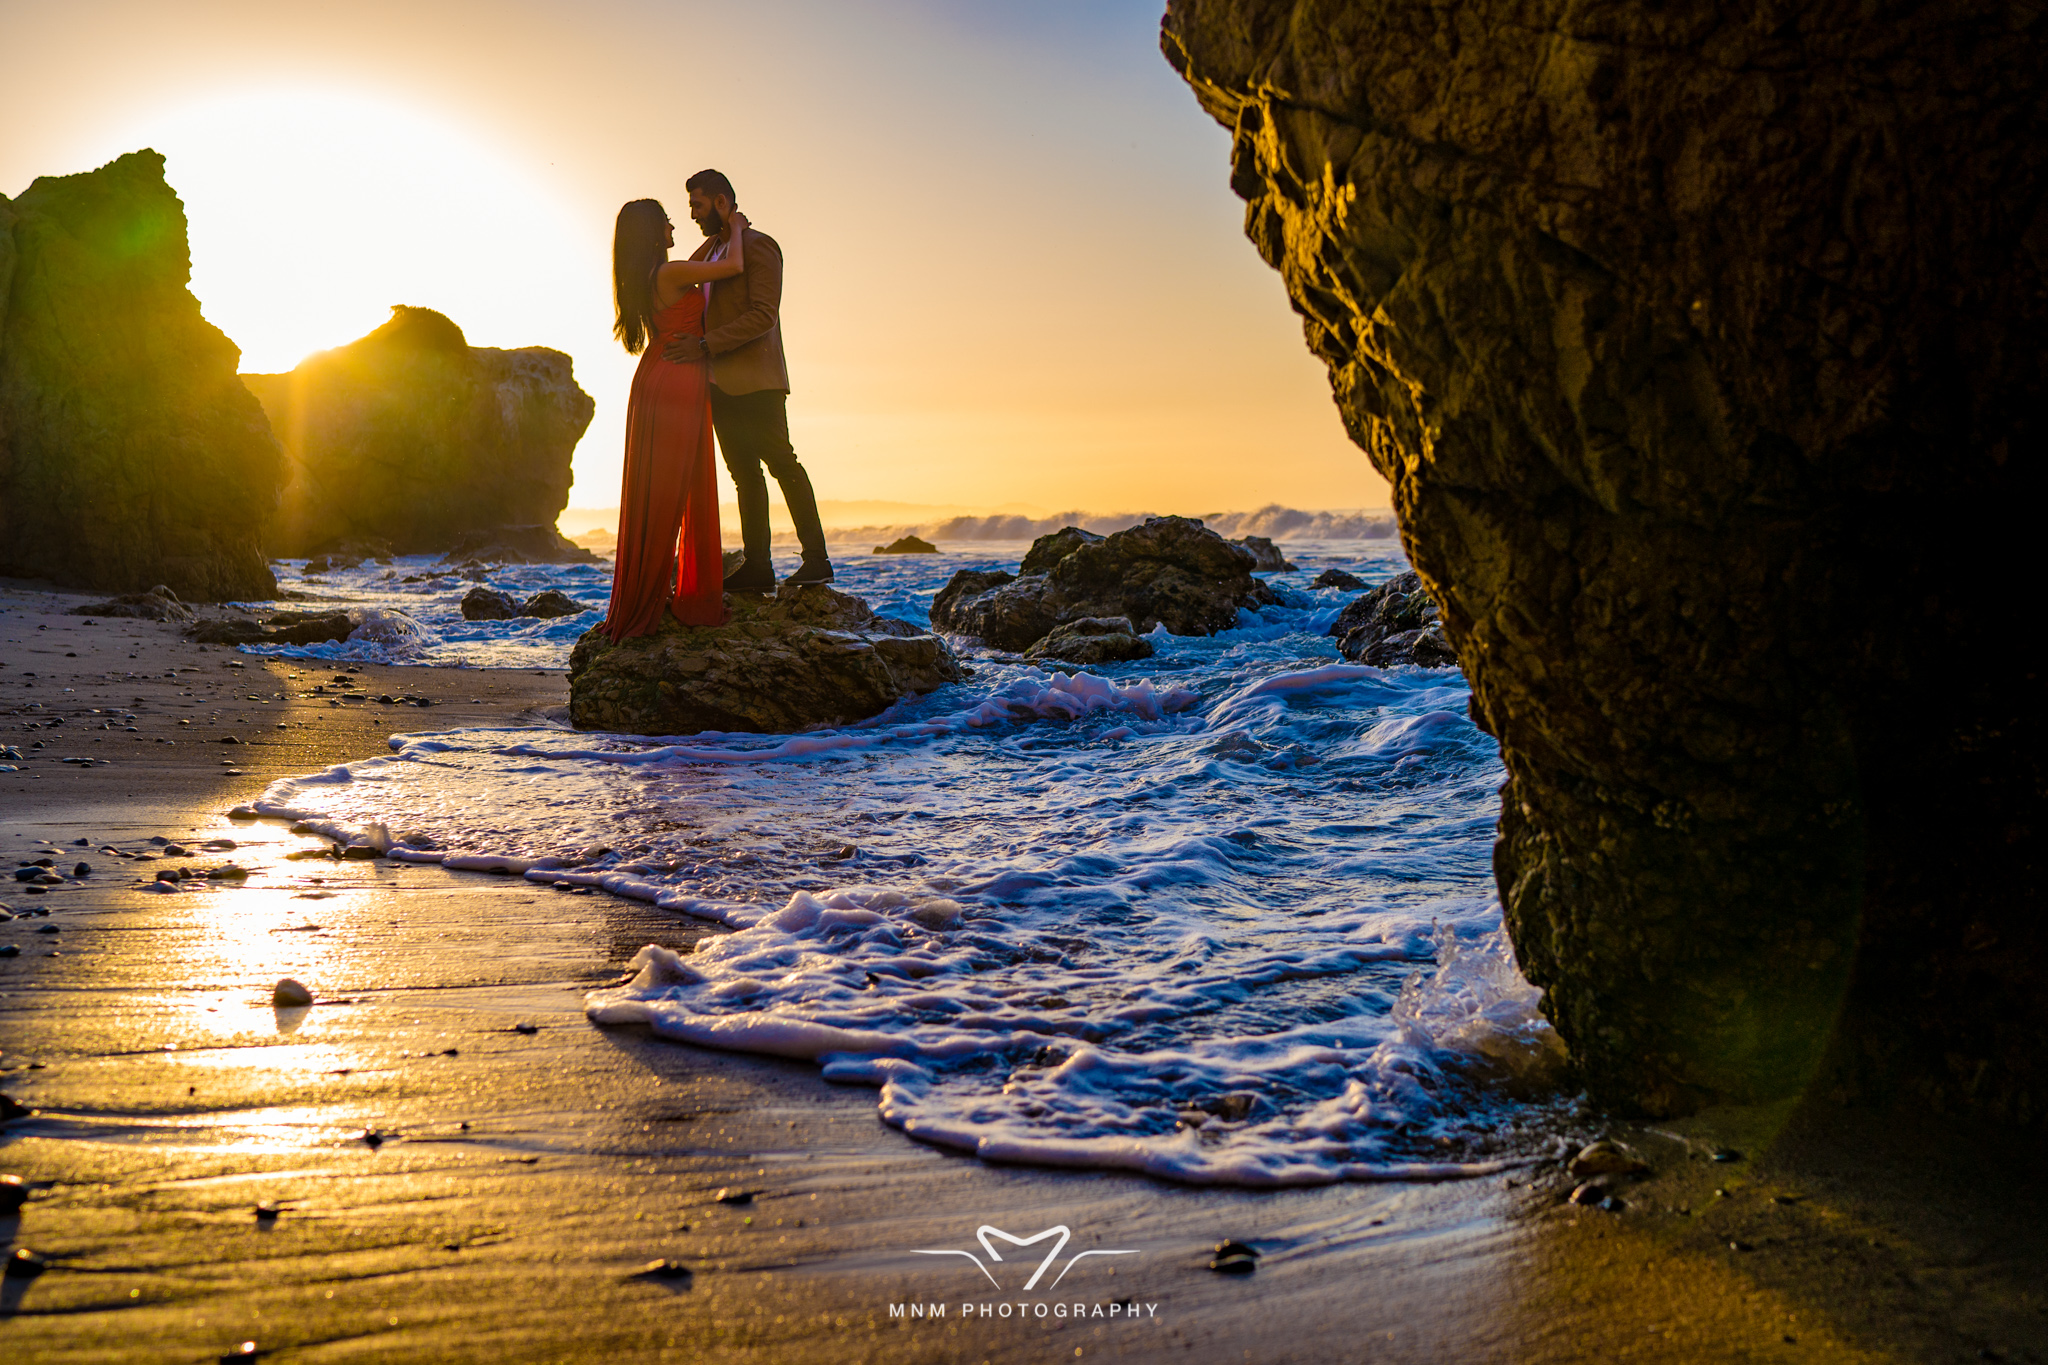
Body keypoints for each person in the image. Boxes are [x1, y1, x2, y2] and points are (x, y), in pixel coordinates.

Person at [663, 169, 832, 590]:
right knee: (744, 476)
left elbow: (763, 314)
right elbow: (690, 266)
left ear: (721, 202)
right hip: (719, 383)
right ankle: (759, 567)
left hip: (758, 381)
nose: (692, 214)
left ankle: (817, 560)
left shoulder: (759, 247)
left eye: (698, 205)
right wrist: (725, 231)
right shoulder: (721, 248)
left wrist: (704, 346)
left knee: (782, 464)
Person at [599, 197, 752, 642]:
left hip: (658, 379)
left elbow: (703, 259)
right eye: (665, 220)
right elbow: (734, 266)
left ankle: (649, 591)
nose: (673, 225)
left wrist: (718, 234)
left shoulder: (654, 275)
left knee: (659, 490)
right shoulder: (671, 273)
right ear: (652, 233)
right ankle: (666, 596)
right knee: (675, 488)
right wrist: (737, 227)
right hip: (677, 382)